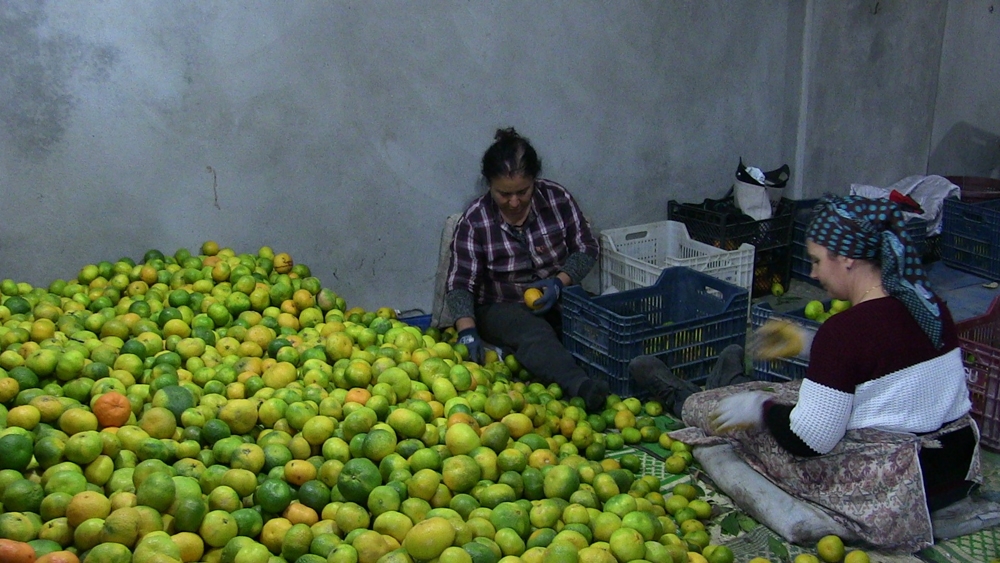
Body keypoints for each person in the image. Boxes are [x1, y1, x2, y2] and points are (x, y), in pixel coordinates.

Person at [635, 194, 983, 550]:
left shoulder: (846, 331)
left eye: (817, 261)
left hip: (895, 486)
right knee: (792, 393)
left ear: (846, 258)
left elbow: (809, 442)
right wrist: (808, 342)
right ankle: (731, 381)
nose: (814, 274)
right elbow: (884, 364)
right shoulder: (929, 306)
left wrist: (760, 410)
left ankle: (681, 396)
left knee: (731, 415)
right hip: (952, 468)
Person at [444, 127, 609, 412]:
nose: (514, 202)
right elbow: (460, 283)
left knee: (600, 325)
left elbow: (586, 247)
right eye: (503, 194)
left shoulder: (557, 199)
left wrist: (559, 282)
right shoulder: (475, 220)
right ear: (489, 186)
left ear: (535, 180)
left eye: (522, 191)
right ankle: (580, 387)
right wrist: (467, 331)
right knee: (532, 333)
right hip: (501, 306)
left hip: (558, 295)